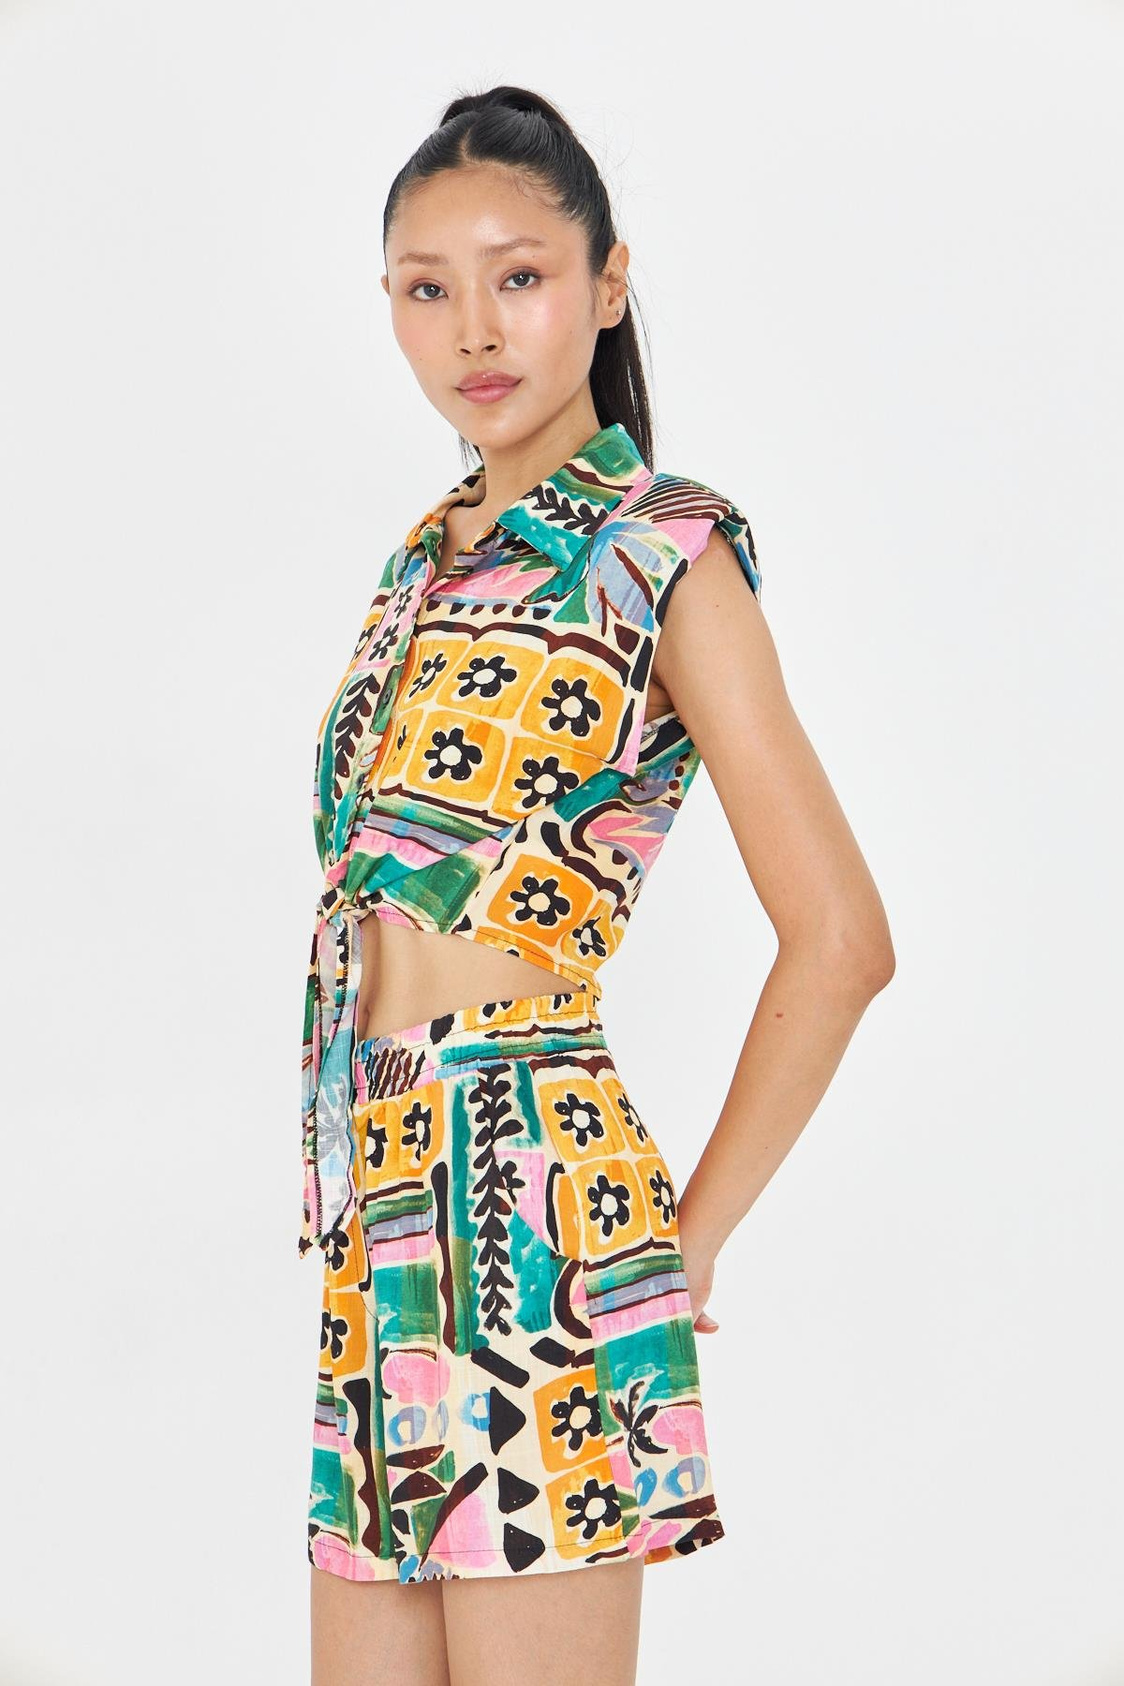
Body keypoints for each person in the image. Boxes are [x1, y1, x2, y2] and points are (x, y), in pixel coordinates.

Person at [302, 83, 895, 1686]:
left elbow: (842, 938)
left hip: (535, 1197)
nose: (474, 329)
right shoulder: (419, 562)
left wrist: (684, 1243)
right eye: (428, 287)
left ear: (608, 282)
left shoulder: (664, 551)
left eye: (521, 275)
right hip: (381, 1215)